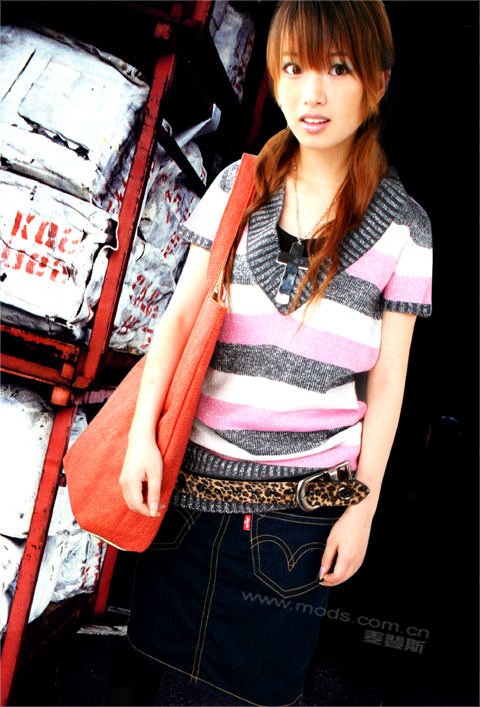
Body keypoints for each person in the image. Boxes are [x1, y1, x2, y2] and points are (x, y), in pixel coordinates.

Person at [103, 1, 432, 705]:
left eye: (337, 69)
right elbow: (176, 320)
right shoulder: (238, 187)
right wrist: (140, 439)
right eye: (293, 68)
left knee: (258, 696)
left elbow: (389, 383)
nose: (312, 93)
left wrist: (362, 510)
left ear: (377, 81)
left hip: (299, 516)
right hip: (186, 490)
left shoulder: (407, 230)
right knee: (143, 676)